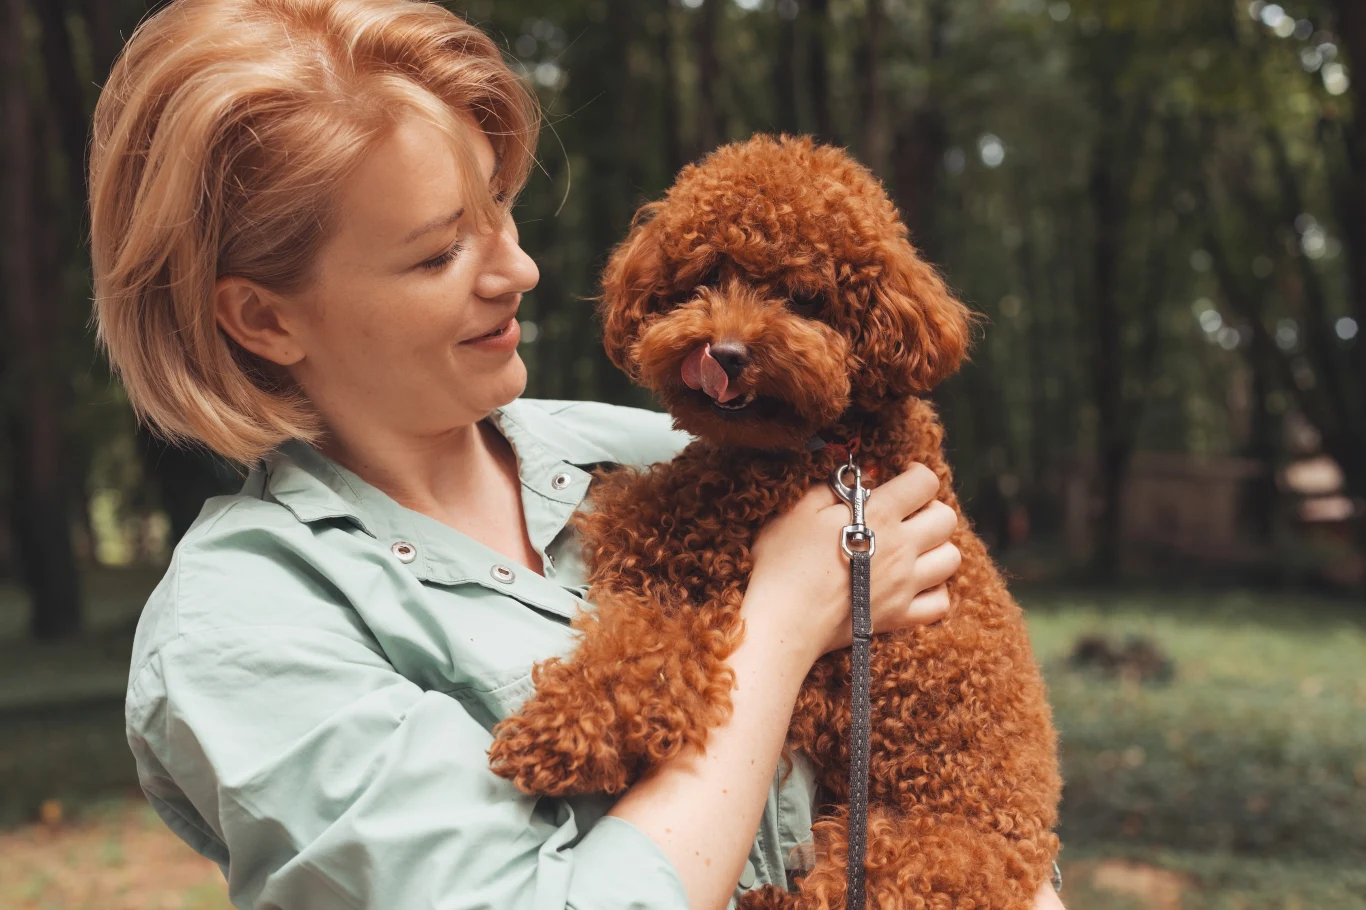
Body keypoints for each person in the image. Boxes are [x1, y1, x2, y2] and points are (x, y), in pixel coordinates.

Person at [89, 1, 1065, 908]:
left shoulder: (671, 451)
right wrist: (779, 622)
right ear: (263, 316)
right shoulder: (244, 628)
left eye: (500, 213)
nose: (521, 270)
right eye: (438, 255)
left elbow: (974, 773)